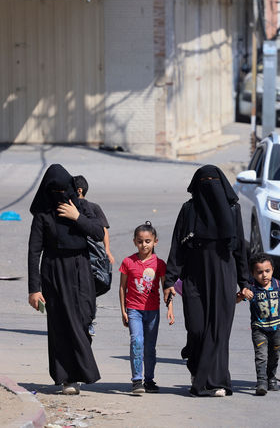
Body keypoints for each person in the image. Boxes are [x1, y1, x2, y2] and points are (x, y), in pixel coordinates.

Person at [163, 165, 252, 397]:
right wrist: (170, 280)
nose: (209, 185)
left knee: (218, 331)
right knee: (197, 328)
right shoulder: (188, 210)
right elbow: (177, 247)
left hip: (224, 275)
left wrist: (245, 282)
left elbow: (240, 249)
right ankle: (196, 364)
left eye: (213, 180)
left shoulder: (233, 210)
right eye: (205, 181)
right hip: (193, 275)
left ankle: (215, 382)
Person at [27, 164, 104, 395]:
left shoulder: (81, 206)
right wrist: (34, 289)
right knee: (60, 325)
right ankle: (68, 379)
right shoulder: (43, 214)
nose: (60, 195)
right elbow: (34, 251)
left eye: (64, 190)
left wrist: (77, 217)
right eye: (55, 191)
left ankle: (80, 371)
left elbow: (98, 233)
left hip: (80, 268)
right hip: (53, 271)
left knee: (82, 320)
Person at [119, 221, 173, 394]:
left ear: (155, 241)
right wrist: (123, 311)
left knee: (150, 347)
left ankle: (149, 380)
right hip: (134, 309)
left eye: (148, 241)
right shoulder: (128, 262)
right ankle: (137, 380)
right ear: (135, 241)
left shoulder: (160, 264)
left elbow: (166, 289)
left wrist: (169, 308)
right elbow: (122, 288)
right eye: (140, 241)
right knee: (137, 342)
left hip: (152, 311)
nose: (144, 245)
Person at [236, 252, 280, 396]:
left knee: (274, 354)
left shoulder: (277, 284)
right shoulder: (250, 287)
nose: (264, 275)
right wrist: (241, 295)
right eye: (259, 272)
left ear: (272, 270)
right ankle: (261, 381)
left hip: (276, 328)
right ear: (252, 273)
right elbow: (236, 300)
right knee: (261, 356)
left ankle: (271, 377)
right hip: (259, 329)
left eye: (267, 271)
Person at [73, 174, 113, 337]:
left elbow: (103, 230)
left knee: (90, 288)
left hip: (92, 255)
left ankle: (88, 321)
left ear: (79, 190)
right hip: (75, 253)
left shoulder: (93, 207)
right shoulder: (69, 205)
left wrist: (107, 251)